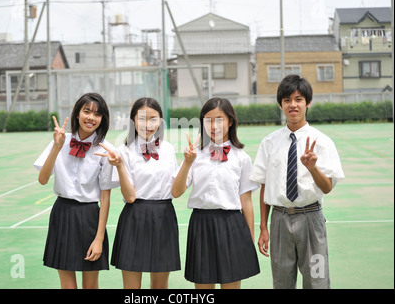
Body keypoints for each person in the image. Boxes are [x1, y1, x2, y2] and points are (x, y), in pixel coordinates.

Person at [250, 74, 345, 289]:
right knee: (282, 283)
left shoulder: (322, 142)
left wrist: (313, 169)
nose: (293, 105)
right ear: (281, 105)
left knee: (317, 281)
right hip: (280, 220)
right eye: (287, 100)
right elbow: (265, 186)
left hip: (311, 218)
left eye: (299, 99)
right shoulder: (269, 143)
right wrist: (263, 227)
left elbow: (327, 187)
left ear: (308, 102)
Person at [172, 97, 260, 289]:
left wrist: (249, 239)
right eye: (208, 120)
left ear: (230, 121)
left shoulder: (242, 158)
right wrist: (187, 162)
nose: (214, 125)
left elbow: (246, 201)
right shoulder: (194, 155)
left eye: (219, 119)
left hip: (232, 225)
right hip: (201, 224)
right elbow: (176, 192)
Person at [33, 93, 116, 289]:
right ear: (77, 114)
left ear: (102, 119)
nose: (91, 118)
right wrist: (56, 146)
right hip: (62, 213)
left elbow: (105, 197)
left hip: (90, 217)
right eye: (86, 111)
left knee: (90, 285)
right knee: (68, 286)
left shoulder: (106, 150)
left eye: (97, 114)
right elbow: (43, 179)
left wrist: (99, 238)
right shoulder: (60, 140)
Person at [96, 97, 180, 289]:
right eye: (142, 119)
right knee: (132, 289)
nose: (148, 124)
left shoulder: (168, 149)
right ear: (133, 121)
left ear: (160, 122)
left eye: (153, 119)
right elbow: (130, 196)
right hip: (135, 215)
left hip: (164, 216)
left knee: (160, 287)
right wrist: (119, 166)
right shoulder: (122, 151)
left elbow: (174, 189)